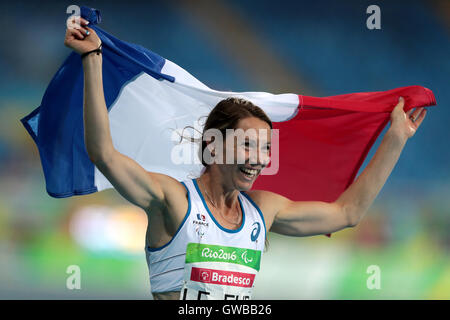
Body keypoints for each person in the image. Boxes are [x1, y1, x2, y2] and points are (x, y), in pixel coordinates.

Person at [64, 17, 427, 300]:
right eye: (248, 145)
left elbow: (348, 213)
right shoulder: (173, 201)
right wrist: (93, 59)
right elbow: (104, 154)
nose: (260, 159)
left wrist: (395, 138)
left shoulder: (262, 211)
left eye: (267, 148)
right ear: (214, 146)